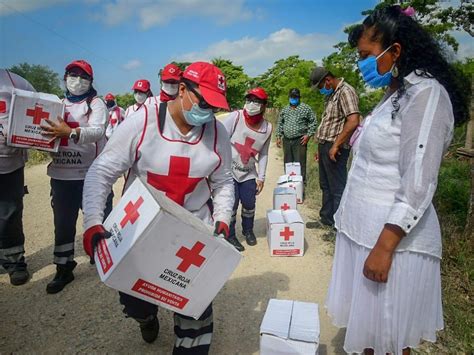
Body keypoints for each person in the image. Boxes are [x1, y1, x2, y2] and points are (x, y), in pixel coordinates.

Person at [325, 6, 469, 355]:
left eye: (366, 56)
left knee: (390, 339)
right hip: (364, 231)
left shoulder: (426, 95)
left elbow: (419, 179)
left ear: (396, 50)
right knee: (371, 337)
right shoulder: (396, 93)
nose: (361, 64)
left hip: (394, 242)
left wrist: (385, 246)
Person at [81, 61, 234, 353]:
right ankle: (146, 317)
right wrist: (92, 221)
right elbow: (101, 172)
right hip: (141, 231)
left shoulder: (218, 133)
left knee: (195, 309)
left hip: (192, 233)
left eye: (214, 108)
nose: (208, 113)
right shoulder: (143, 121)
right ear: (182, 90)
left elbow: (224, 181)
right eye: (203, 103)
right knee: (136, 300)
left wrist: (223, 217)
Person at [40, 59, 111, 294]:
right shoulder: (56, 104)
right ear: (65, 77)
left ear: (90, 81)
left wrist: (69, 132)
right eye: (72, 75)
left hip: (91, 173)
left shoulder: (95, 103)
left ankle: (104, 258)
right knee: (63, 224)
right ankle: (63, 267)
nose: (77, 80)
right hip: (61, 174)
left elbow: (98, 130)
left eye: (83, 77)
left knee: (99, 217)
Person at [221, 87, 272, 251]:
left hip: (249, 172)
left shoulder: (267, 128)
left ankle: (248, 230)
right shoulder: (236, 117)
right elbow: (220, 139)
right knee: (232, 203)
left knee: (249, 203)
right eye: (249, 100)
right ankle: (230, 235)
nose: (251, 104)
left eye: (256, 101)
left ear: (264, 105)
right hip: (229, 171)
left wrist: (261, 177)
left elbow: (263, 153)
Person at [309, 67, 360, 227]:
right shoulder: (332, 95)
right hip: (325, 145)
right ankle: (326, 218)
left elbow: (353, 120)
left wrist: (336, 145)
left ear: (328, 80)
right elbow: (329, 122)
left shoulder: (346, 91)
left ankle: (339, 225)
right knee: (325, 185)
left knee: (337, 187)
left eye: (320, 86)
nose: (320, 90)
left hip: (335, 147)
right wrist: (320, 146)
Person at [0, 69, 35, 285]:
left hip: (9, 164)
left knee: (9, 213)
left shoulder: (17, 83)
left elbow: (41, 114)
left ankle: (14, 261)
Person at [275, 88, 317, 184]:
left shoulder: (305, 108)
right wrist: (278, 136)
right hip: (287, 140)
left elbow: (313, 122)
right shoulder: (285, 109)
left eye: (295, 97)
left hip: (300, 140)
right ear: (289, 97)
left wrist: (308, 135)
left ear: (299, 97)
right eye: (292, 97)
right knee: (288, 162)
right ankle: (288, 182)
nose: (293, 99)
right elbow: (280, 123)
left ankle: (300, 185)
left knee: (300, 163)